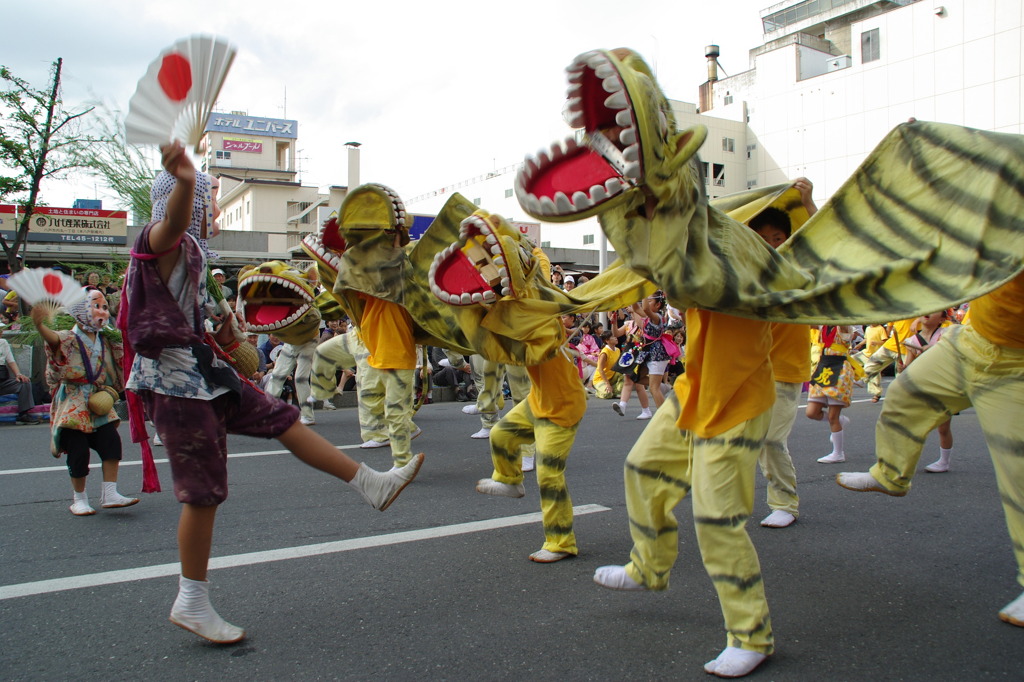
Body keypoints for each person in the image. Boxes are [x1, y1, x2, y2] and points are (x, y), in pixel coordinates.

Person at [122, 141, 423, 644]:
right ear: (186, 202)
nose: (212, 207)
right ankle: (191, 602)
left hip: (206, 377)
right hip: (178, 387)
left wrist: (230, 339)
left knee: (283, 418)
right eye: (208, 198)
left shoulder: (194, 254)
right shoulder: (164, 241)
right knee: (203, 495)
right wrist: (186, 179)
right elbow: (171, 223)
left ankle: (372, 483)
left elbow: (212, 322)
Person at [836, 271, 1024, 630]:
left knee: (1018, 472)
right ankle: (889, 475)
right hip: (969, 341)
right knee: (904, 396)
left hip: (1017, 363)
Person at [31, 290, 137, 515]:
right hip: (73, 400)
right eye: (96, 306)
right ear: (80, 311)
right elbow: (53, 340)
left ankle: (110, 493)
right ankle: (78, 499)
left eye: (105, 307)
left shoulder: (108, 339)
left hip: (98, 398)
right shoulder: (68, 337)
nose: (102, 312)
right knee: (78, 451)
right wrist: (40, 325)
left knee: (111, 443)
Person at [747, 204, 813, 528]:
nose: (772, 244)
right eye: (763, 238)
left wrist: (810, 202)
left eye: (778, 237)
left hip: (786, 369)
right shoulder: (746, 272)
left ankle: (785, 503)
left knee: (772, 439)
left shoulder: (797, 269)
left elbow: (824, 244)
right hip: (748, 369)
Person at [903, 309, 955, 472]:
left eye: (935, 311)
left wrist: (932, 351)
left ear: (942, 318)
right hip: (922, 386)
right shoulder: (912, 340)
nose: (928, 313)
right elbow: (909, 367)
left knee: (943, 427)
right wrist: (903, 367)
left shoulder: (946, 334)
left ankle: (944, 462)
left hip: (942, 385)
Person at [806, 325, 860, 463]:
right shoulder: (821, 326)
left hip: (839, 369)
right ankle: (840, 421)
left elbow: (843, 323)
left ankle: (838, 453)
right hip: (823, 368)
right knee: (811, 412)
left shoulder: (844, 328)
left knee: (832, 416)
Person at [608, 303, 652, 420]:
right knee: (636, 383)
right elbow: (616, 333)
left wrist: (634, 311)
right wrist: (614, 322)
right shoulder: (628, 324)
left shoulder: (646, 321)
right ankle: (644, 409)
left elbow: (641, 325)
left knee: (633, 381)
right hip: (630, 351)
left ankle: (625, 405)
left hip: (641, 351)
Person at [0, 328, 40, 424]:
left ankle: (23, 414)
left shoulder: (3, 343)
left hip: (2, 379)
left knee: (24, 383)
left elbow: (11, 361)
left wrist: (18, 374)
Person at [592, 330, 623, 399]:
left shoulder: (617, 350)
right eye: (612, 337)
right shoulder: (604, 353)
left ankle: (616, 392)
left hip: (611, 376)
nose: (615, 338)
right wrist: (607, 384)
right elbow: (600, 370)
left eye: (615, 336)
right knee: (607, 395)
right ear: (607, 340)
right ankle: (598, 392)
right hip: (600, 379)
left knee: (623, 374)